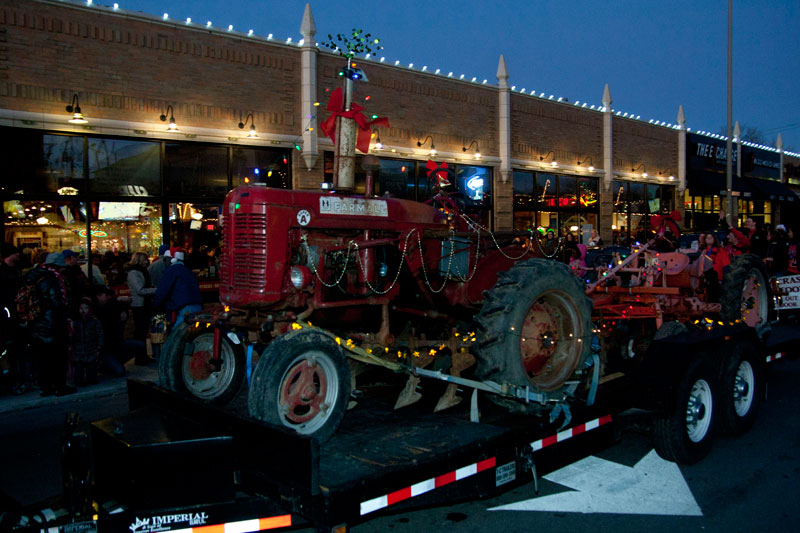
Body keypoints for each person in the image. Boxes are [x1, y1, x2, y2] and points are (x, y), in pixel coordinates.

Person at [18, 253, 75, 397]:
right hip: (51, 323)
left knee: (42, 358)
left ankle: (46, 387)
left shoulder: (33, 275)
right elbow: (56, 302)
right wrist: (66, 313)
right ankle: (59, 386)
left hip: (35, 323)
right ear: (57, 266)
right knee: (56, 357)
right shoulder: (52, 278)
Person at [153, 251, 202, 330]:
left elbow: (162, 291)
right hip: (197, 307)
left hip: (185, 309)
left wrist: (155, 305)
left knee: (175, 338)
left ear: (170, 260)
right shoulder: (188, 271)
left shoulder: (171, 271)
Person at [126, 252, 157, 365]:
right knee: (140, 331)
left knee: (143, 331)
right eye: (145, 259)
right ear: (139, 260)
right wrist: (155, 290)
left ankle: (142, 355)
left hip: (144, 304)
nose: (147, 261)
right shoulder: (134, 273)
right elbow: (140, 290)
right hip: (139, 305)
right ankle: (139, 356)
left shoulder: (142, 271)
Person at [93, 286, 127, 377]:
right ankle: (105, 365)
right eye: (106, 295)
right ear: (99, 296)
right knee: (119, 371)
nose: (108, 297)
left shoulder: (110, 305)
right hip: (102, 349)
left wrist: (122, 309)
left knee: (137, 345)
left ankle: (112, 363)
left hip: (112, 345)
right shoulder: (95, 310)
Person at [71, 297, 103, 386]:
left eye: (85, 308)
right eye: (81, 308)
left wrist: (99, 347)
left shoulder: (94, 321)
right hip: (78, 351)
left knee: (91, 372)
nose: (83, 311)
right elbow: (72, 336)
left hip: (91, 349)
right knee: (78, 372)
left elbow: (100, 334)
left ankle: (91, 377)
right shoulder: (76, 322)